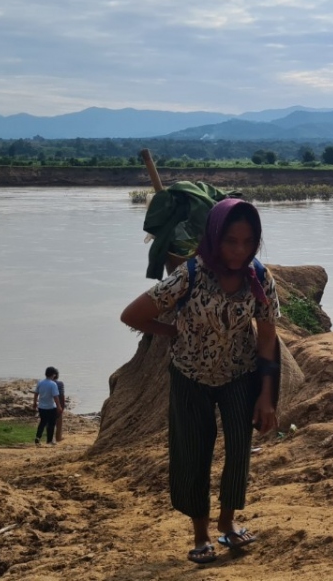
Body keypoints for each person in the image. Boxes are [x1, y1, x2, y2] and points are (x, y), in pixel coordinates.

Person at [120, 198, 281, 565]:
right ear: (214, 237)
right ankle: (200, 534)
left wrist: (267, 396)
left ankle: (228, 522)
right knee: (194, 452)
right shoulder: (190, 274)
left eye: (248, 241)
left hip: (240, 373)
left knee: (239, 449)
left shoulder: (258, 277)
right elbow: (132, 314)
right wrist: (171, 331)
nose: (239, 250)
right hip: (190, 375)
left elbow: (267, 337)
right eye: (230, 241)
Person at [32, 366, 62, 446]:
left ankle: (38, 438)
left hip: (41, 407)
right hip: (51, 407)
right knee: (51, 424)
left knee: (42, 422)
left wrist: (34, 403)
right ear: (53, 375)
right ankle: (49, 441)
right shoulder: (53, 384)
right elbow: (56, 396)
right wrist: (59, 406)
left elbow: (36, 393)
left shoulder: (40, 382)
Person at [54, 371, 67, 444]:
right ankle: (58, 437)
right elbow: (61, 396)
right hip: (56, 404)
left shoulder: (44, 383)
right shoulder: (59, 384)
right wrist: (62, 406)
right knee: (59, 421)